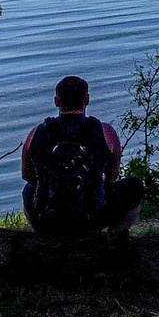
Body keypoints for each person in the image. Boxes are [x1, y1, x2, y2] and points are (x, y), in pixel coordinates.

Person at [20, 75, 147, 236]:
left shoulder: (35, 133)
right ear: (87, 99)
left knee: (28, 189)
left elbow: (27, 175)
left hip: (48, 219)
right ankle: (116, 234)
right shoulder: (105, 132)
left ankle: (41, 234)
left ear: (57, 101)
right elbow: (112, 176)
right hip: (91, 218)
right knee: (135, 185)